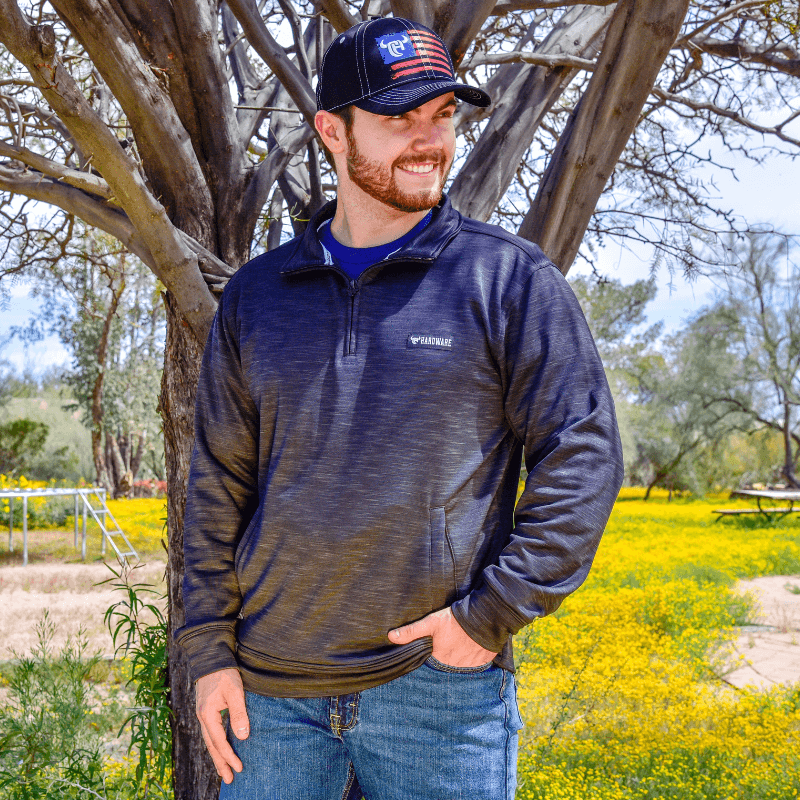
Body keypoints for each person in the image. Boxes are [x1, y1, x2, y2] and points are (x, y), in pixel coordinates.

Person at [176, 16, 624, 800]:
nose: (430, 140)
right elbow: (217, 489)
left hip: (438, 693)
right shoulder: (257, 297)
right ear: (331, 131)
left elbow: (582, 453)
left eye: (442, 115)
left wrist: (489, 616)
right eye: (397, 118)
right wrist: (208, 653)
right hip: (271, 698)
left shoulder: (507, 281)